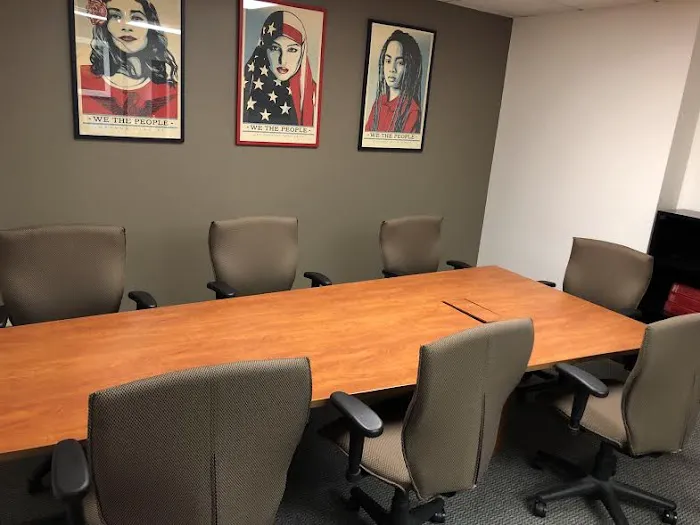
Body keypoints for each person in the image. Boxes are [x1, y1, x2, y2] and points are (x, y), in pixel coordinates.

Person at [80, 0, 179, 118]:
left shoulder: (171, 91)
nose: (126, 27)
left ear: (150, 28)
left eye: (136, 18)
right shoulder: (83, 79)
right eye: (115, 16)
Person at [242, 11, 316, 126]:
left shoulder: (313, 94)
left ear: (302, 51)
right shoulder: (246, 87)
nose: (283, 60)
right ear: (264, 48)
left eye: (292, 50)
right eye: (274, 48)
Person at [365, 30, 422, 134]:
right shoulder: (379, 102)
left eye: (400, 63)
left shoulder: (412, 110)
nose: (392, 69)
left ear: (410, 67)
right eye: (388, 61)